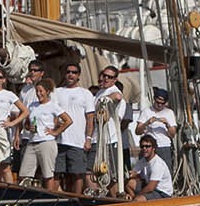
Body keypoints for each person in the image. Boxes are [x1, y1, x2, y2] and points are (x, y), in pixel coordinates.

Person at [53, 63, 97, 195]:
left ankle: (76, 198)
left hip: (77, 141)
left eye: (74, 72)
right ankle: (56, 197)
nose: (70, 74)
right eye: (68, 72)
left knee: (77, 174)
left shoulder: (85, 93)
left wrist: (88, 139)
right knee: (57, 173)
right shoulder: (57, 92)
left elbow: (90, 118)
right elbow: (53, 114)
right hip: (59, 140)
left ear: (78, 75)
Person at [19, 78, 70, 189]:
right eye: (37, 91)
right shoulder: (32, 105)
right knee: (24, 174)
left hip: (46, 142)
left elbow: (68, 120)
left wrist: (55, 132)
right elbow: (26, 124)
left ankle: (50, 197)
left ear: (47, 92)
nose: (38, 94)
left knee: (47, 174)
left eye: (41, 91)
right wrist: (29, 128)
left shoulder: (53, 106)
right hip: (32, 141)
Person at [91, 65, 126, 187]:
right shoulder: (100, 92)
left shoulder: (113, 91)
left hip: (109, 141)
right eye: (104, 75)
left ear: (115, 79)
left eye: (109, 77)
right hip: (97, 139)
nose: (105, 78)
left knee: (110, 175)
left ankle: (116, 200)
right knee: (94, 172)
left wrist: (105, 100)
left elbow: (118, 97)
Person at [130, 87, 177, 168]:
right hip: (149, 146)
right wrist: (147, 123)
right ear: (154, 99)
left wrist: (167, 124)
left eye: (162, 103)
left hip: (164, 146)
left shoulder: (169, 113)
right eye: (158, 102)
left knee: (165, 170)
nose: (159, 105)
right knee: (146, 171)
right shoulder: (146, 111)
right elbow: (137, 131)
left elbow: (173, 134)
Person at [126, 135, 173, 200]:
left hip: (161, 192)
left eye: (147, 146)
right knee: (130, 183)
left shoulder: (157, 164)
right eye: (142, 146)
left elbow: (151, 187)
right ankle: (133, 202)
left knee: (139, 199)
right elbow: (132, 173)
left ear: (153, 148)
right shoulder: (143, 161)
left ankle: (135, 202)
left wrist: (137, 196)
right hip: (149, 186)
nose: (144, 149)